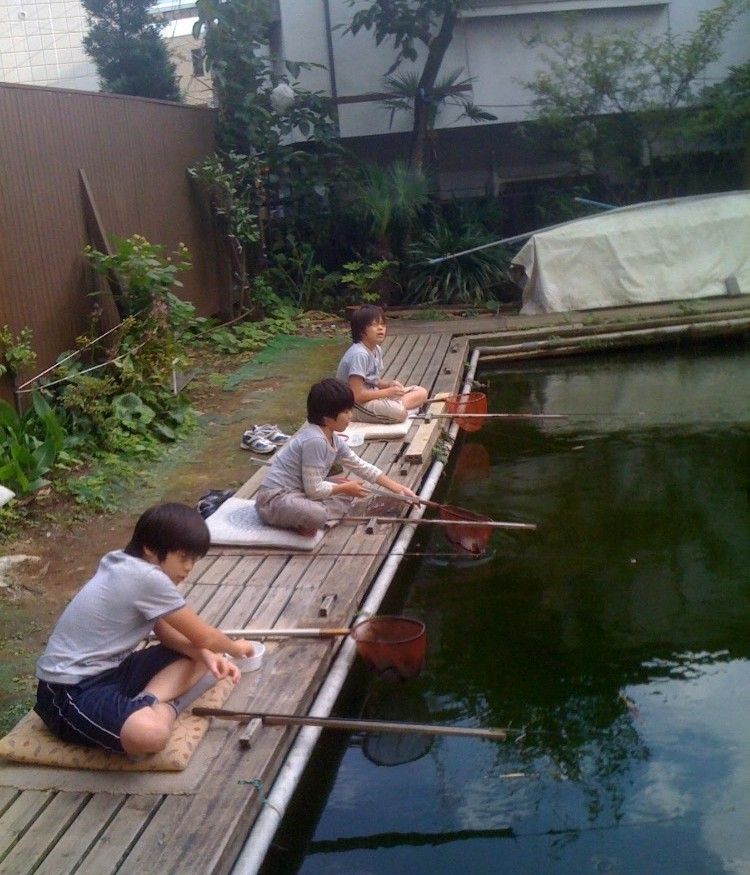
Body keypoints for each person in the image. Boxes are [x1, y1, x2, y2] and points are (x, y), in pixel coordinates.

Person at [34, 503, 254, 756]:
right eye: (183, 557)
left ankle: (147, 700)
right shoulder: (145, 578)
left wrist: (204, 654)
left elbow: (164, 631)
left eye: (194, 560)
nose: (189, 568)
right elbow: (204, 635)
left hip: (111, 671)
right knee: (151, 736)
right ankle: (167, 709)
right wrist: (235, 647)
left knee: (205, 657)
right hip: (69, 689)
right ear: (150, 548)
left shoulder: (124, 563)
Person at [254, 378, 418, 535]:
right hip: (274, 499)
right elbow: (314, 491)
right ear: (327, 418)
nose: (350, 416)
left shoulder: (332, 438)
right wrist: (344, 489)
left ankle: (307, 520)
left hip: (301, 491)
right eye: (345, 412)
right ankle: (307, 520)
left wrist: (398, 489)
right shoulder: (315, 440)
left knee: (344, 486)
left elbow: (360, 466)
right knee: (319, 511)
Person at [336, 304, 428, 423]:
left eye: (382, 324)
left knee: (421, 392)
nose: (380, 328)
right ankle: (391, 409)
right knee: (399, 413)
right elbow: (356, 395)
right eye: (374, 325)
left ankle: (390, 407)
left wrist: (389, 385)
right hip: (353, 405)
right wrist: (387, 392)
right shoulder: (359, 354)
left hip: (371, 396)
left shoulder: (376, 349)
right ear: (361, 331)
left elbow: (372, 380)